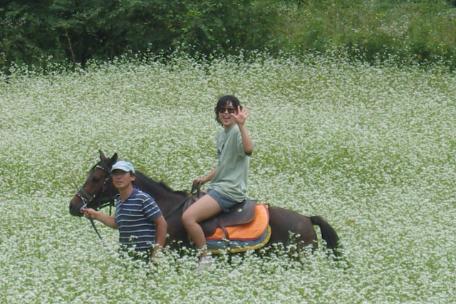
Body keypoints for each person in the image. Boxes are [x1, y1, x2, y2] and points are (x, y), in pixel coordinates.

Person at [182, 95, 254, 266]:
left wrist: (242, 126)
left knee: (188, 217)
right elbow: (223, 164)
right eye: (222, 110)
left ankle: (204, 257)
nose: (226, 113)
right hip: (217, 186)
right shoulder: (222, 134)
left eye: (231, 110)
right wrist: (204, 179)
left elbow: (249, 150)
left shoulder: (237, 131)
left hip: (230, 190)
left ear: (238, 112)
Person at [82, 160, 167, 262]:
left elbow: (162, 223)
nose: (118, 177)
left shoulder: (142, 198)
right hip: (126, 256)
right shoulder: (119, 200)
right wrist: (95, 215)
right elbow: (116, 223)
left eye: (123, 173)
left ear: (132, 177)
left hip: (145, 257)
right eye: (115, 174)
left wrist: (156, 253)